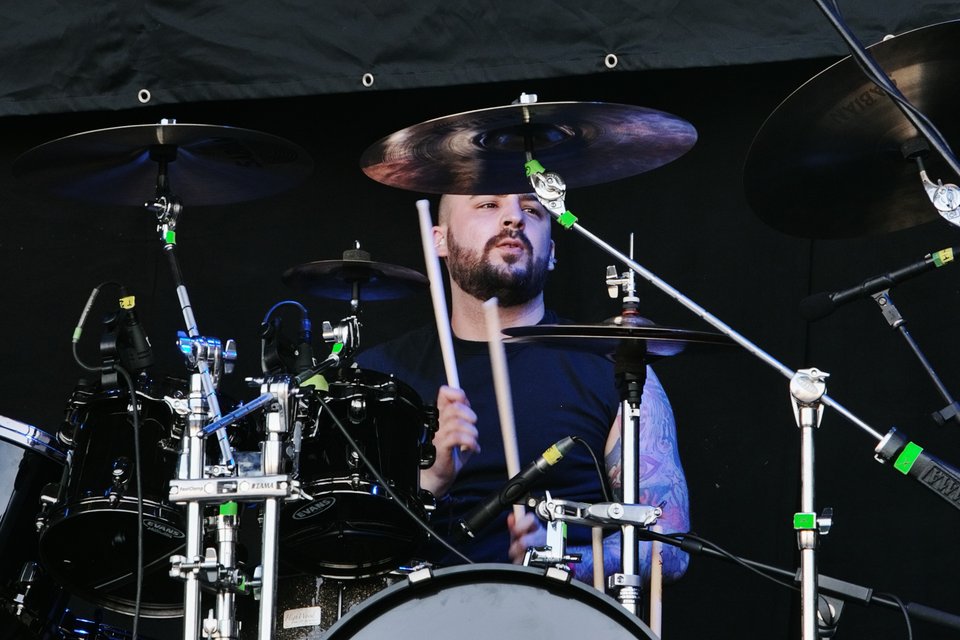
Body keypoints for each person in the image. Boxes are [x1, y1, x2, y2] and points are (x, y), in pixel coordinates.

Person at [353, 192, 689, 587]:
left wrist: (562, 563)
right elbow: (341, 547)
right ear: (438, 240)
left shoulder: (616, 369)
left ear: (552, 253)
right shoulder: (377, 378)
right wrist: (429, 482)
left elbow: (670, 544)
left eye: (531, 210)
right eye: (488, 205)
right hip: (418, 611)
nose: (514, 218)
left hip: (560, 612)